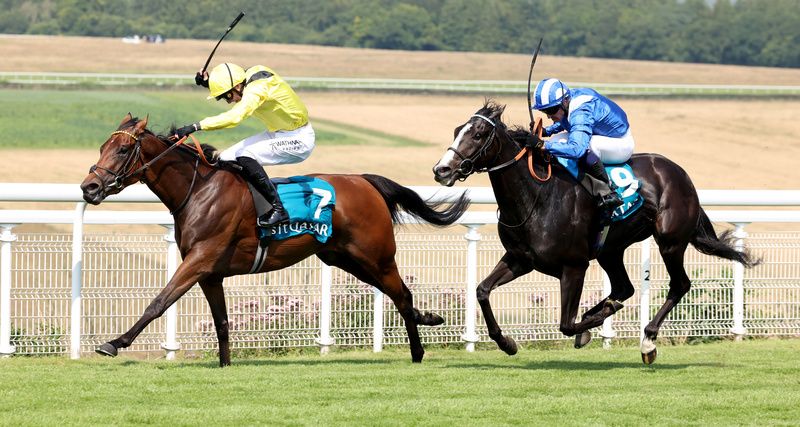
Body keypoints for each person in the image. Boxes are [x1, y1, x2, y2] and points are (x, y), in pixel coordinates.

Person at [171, 63, 315, 227]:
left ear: (238, 86)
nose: (229, 101)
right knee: (226, 157)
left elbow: (235, 117)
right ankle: (244, 201)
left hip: (300, 139)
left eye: (228, 96)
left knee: (246, 155)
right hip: (279, 133)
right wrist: (209, 83)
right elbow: (234, 77)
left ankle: (278, 209)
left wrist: (195, 126)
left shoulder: (257, 90)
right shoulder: (247, 77)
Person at [531, 77, 634, 218]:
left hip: (620, 143)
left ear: (565, 101)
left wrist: (543, 144)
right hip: (601, 135)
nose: (549, 116)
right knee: (556, 140)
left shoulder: (581, 109)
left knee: (589, 146)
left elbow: (577, 149)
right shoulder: (568, 100)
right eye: (545, 111)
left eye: (551, 110)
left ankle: (608, 192)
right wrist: (547, 131)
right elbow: (567, 121)